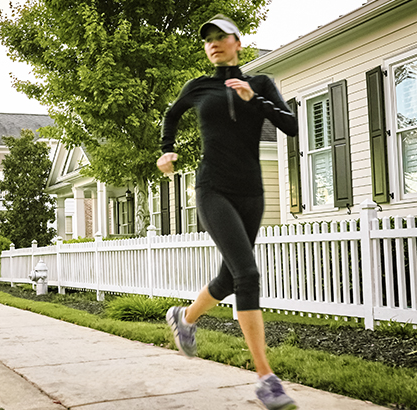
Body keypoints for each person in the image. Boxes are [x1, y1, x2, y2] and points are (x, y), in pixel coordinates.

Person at [158, 14, 299, 410]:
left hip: (251, 193)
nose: (214, 43)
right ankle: (266, 379)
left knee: (229, 276)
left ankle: (184, 318)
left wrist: (256, 100)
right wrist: (166, 149)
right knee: (248, 273)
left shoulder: (261, 83)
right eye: (209, 39)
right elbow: (171, 115)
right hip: (212, 188)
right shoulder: (198, 87)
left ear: (238, 42)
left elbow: (291, 126)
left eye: (222, 37)